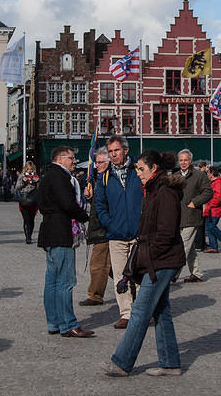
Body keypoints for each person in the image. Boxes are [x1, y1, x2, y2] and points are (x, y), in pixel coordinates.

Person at [103, 150, 185, 377]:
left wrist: (149, 256)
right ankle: (170, 363)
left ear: (154, 169)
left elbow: (166, 233)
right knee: (161, 310)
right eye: (137, 168)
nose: (137, 173)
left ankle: (121, 362)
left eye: (141, 168)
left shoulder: (165, 192)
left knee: (139, 310)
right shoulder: (153, 190)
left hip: (161, 261)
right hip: (157, 259)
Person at [37, 147, 93, 338]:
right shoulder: (60, 177)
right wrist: (84, 216)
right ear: (60, 159)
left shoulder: (47, 176)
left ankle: (54, 322)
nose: (74, 161)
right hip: (61, 232)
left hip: (49, 231)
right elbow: (67, 204)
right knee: (65, 281)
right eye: (71, 158)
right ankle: (68, 323)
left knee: (52, 280)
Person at [95, 135, 143, 329]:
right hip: (116, 234)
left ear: (125, 150)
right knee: (120, 277)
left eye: (116, 151)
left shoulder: (138, 171)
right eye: (111, 152)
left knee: (139, 276)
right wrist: (110, 224)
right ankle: (126, 313)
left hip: (138, 233)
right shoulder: (105, 177)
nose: (113, 155)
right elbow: (100, 205)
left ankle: (141, 312)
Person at [176, 149, 213, 282]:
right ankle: (196, 273)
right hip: (178, 217)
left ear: (191, 161)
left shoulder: (199, 175)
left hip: (192, 216)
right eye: (181, 160)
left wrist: (195, 202)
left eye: (186, 160)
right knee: (189, 247)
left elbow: (208, 192)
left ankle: (172, 274)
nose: (183, 162)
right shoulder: (175, 176)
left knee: (182, 246)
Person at [80, 148, 111, 307]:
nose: (97, 165)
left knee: (98, 264)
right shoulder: (98, 179)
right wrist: (90, 198)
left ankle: (95, 295)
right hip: (100, 227)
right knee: (109, 265)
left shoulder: (110, 179)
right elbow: (99, 205)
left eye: (100, 162)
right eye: (96, 162)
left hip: (104, 229)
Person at [202, 165, 221, 253]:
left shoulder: (218, 183)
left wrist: (211, 205)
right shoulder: (213, 182)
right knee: (209, 228)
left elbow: (219, 197)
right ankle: (213, 246)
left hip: (214, 210)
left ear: (212, 174)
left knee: (212, 227)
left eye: (208, 173)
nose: (207, 174)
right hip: (210, 209)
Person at [15, 162, 40, 244]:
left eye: (31, 169)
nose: (29, 171)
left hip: (33, 200)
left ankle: (30, 235)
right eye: (28, 169)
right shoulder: (22, 176)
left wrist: (38, 181)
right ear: (25, 169)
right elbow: (17, 187)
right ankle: (27, 237)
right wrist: (23, 181)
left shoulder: (36, 176)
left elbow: (40, 188)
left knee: (31, 219)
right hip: (24, 199)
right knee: (26, 219)